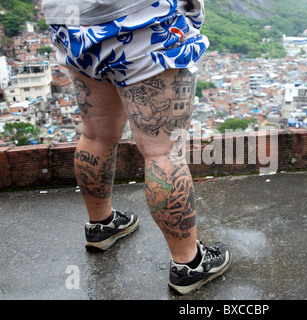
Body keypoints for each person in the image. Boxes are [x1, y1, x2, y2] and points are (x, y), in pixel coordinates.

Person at [42, 0, 231, 295]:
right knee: (162, 151)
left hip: (73, 20)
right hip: (142, 17)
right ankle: (189, 264)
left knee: (94, 135)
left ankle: (101, 226)